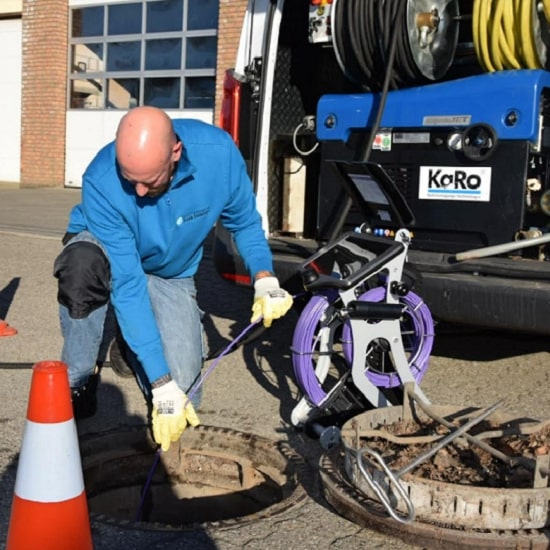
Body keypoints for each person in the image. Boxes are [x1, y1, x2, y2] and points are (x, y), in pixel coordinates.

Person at [53, 106, 293, 451]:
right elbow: (129, 284)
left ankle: (129, 345)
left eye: (148, 181)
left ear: (175, 152)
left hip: (171, 271)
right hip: (109, 254)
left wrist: (265, 278)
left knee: (185, 391)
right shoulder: (101, 180)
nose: (137, 191)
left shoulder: (219, 156)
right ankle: (78, 378)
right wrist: (160, 384)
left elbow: (244, 223)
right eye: (129, 178)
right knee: (82, 269)